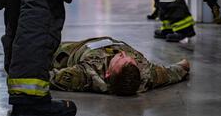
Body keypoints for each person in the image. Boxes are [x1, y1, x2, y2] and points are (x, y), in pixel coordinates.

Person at [49, 37, 190, 95]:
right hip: (99, 42)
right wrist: (184, 65)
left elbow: (52, 78)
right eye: (129, 59)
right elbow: (174, 72)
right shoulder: (147, 74)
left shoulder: (86, 74)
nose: (123, 54)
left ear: (108, 74)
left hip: (71, 49)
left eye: (120, 59)